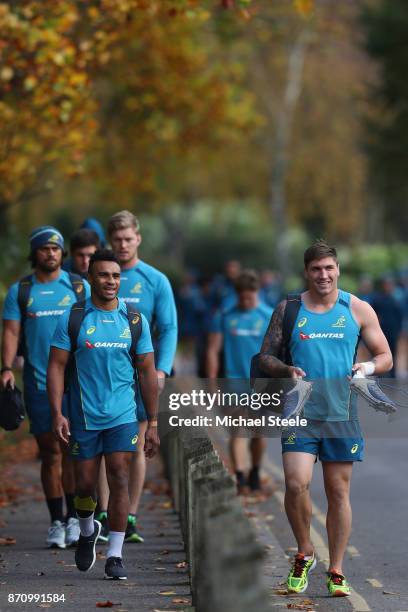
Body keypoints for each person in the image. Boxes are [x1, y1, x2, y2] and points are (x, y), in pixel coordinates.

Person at [259, 240, 392, 597]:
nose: (323, 275)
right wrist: (286, 368)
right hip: (299, 410)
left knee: (337, 491)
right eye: (316, 269)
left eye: (329, 268)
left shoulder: (358, 308)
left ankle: (336, 569)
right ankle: (304, 552)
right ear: (307, 272)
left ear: (337, 270)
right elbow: (265, 357)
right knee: (295, 483)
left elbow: (385, 356)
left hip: (341, 413)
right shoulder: (289, 308)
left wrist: (366, 366)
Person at [47, 249, 159, 580]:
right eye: (103, 275)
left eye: (115, 275)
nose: (110, 281)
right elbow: (56, 366)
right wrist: (57, 413)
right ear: (90, 278)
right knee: (84, 486)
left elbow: (148, 372)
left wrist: (153, 422)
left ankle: (115, 554)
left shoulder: (134, 319)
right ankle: (86, 530)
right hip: (83, 415)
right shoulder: (74, 317)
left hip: (123, 415)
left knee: (119, 477)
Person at [1, 226, 90, 548]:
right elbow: (11, 333)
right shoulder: (21, 291)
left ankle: (76, 520)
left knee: (74, 452)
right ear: (34, 253)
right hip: (39, 383)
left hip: (78, 385)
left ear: (62, 253)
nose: (50, 253)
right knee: (50, 452)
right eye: (44, 249)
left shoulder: (79, 287)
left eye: (55, 249)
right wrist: (7, 368)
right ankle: (57, 521)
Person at [95, 211, 177, 543]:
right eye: (117, 240)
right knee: (103, 442)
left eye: (128, 239)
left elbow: (169, 326)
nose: (123, 245)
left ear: (138, 239)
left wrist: (162, 369)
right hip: (104, 373)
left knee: (137, 444)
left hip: (142, 373)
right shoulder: (100, 275)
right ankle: (103, 512)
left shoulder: (155, 279)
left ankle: (130, 515)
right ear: (110, 242)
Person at [206, 270, 272, 493]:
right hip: (234, 381)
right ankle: (240, 476)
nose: (246, 301)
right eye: (242, 297)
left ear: (257, 293)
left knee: (258, 433)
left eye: (250, 297)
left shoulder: (269, 316)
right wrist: (212, 383)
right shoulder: (225, 316)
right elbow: (213, 351)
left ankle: (255, 469)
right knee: (238, 430)